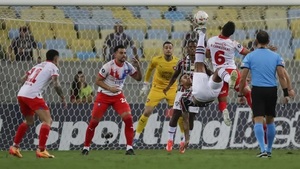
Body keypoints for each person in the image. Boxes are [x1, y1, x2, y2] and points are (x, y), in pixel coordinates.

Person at [239, 30, 293, 158]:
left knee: (258, 119)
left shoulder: (250, 56)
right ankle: (269, 150)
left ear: (256, 41)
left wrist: (241, 94)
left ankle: (262, 149)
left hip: (257, 90)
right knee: (270, 120)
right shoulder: (276, 56)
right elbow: (281, 76)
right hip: (271, 90)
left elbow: (243, 78)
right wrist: (286, 93)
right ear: (268, 41)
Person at [181, 27, 236, 148]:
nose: (187, 77)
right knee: (199, 62)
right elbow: (185, 120)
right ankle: (201, 34)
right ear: (183, 85)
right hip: (201, 94)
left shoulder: (185, 98)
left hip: (210, 95)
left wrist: (187, 139)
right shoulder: (184, 97)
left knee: (219, 71)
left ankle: (228, 79)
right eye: (185, 78)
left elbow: (185, 119)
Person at [81, 45, 142, 155]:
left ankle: (129, 148)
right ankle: (86, 147)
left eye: (125, 53)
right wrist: (110, 88)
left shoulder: (128, 66)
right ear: (115, 54)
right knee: (94, 122)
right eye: (121, 53)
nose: (124, 55)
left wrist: (138, 67)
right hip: (103, 96)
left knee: (128, 118)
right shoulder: (108, 66)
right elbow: (98, 81)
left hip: (118, 96)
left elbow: (138, 79)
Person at [9, 49, 66, 158]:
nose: (59, 61)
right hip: (33, 94)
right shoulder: (53, 67)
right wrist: (62, 97)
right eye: (58, 59)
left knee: (29, 121)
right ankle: (41, 149)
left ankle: (14, 147)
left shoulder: (38, 65)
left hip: (22, 93)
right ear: (55, 58)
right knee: (47, 120)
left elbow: (22, 79)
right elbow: (56, 84)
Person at [134, 41, 182, 144]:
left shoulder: (178, 62)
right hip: (157, 88)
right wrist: (145, 85)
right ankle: (136, 137)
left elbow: (183, 74)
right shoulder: (156, 60)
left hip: (172, 89)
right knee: (147, 112)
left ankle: (183, 137)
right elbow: (149, 70)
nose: (168, 49)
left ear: (172, 50)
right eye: (166, 47)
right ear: (163, 49)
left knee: (178, 112)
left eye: (170, 47)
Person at [206, 21, 252, 126]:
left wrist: (214, 53)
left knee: (222, 99)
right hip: (232, 71)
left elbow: (207, 54)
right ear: (231, 34)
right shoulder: (233, 43)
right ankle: (253, 109)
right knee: (247, 92)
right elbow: (246, 52)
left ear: (222, 29)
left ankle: (224, 111)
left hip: (218, 73)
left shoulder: (211, 40)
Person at [163, 40, 199, 154]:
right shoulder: (182, 62)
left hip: (195, 94)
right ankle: (170, 140)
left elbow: (208, 73)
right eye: (190, 47)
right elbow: (175, 76)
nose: (192, 49)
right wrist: (168, 87)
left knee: (191, 118)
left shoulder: (200, 63)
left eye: (194, 47)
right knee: (176, 115)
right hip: (182, 92)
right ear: (187, 49)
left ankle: (184, 141)